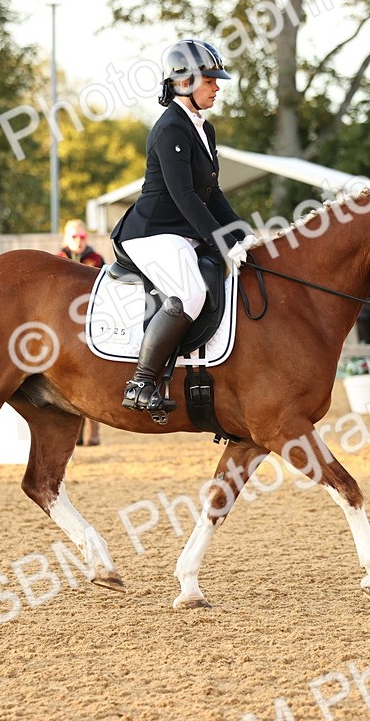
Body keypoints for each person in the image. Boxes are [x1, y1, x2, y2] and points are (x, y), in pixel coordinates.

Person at [111, 39, 255, 413]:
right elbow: (185, 196)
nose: (217, 86)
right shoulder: (171, 128)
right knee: (190, 294)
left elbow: (212, 192)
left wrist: (243, 233)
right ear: (185, 82)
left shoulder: (203, 129)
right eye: (210, 80)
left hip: (182, 232)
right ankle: (140, 383)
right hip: (153, 232)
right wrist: (223, 243)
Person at [56, 219, 105, 444]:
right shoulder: (58, 259)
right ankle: (74, 435)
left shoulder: (96, 259)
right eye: (74, 237)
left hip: (90, 321)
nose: (78, 241)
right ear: (66, 239)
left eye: (82, 237)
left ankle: (93, 433)